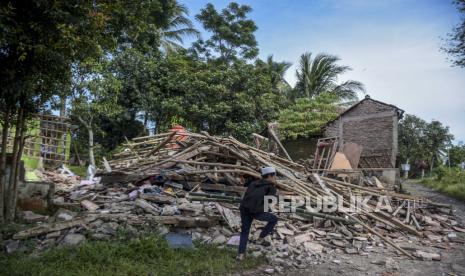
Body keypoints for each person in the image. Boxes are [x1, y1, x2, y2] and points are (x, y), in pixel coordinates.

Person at [236, 166, 278, 260]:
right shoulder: (271, 188)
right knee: (274, 219)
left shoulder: (253, 183)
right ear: (270, 176)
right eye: (274, 176)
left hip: (244, 209)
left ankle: (240, 254)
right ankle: (261, 238)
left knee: (245, 231)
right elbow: (268, 205)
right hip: (256, 212)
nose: (275, 178)